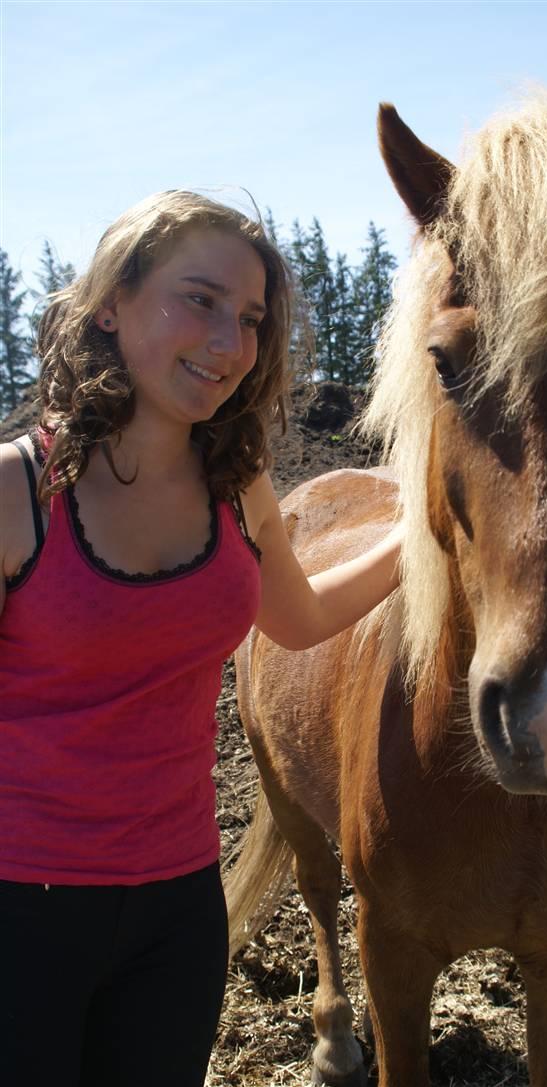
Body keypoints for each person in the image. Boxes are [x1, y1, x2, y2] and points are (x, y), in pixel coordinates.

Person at [0, 191, 402, 1087]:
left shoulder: (238, 477)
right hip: (18, 903)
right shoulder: (13, 494)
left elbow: (294, 619)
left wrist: (424, 536)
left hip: (179, 906)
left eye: (252, 318)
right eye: (201, 299)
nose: (230, 341)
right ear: (112, 301)